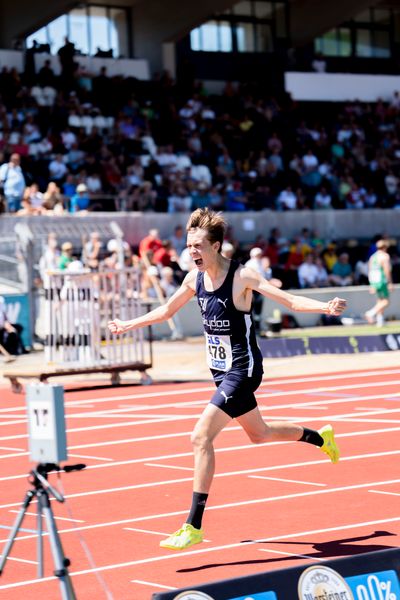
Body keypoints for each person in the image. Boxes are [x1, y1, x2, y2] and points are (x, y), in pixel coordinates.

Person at [108, 208, 346, 551]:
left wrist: (325, 308)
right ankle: (320, 438)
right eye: (189, 246)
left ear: (216, 246)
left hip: (244, 369)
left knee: (199, 437)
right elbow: (165, 311)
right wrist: (128, 325)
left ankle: (193, 525)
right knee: (259, 434)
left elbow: (289, 299)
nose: (192, 252)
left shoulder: (242, 277)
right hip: (220, 372)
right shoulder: (194, 279)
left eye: (199, 246)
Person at [365, 239, 392, 326]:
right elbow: (386, 270)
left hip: (373, 280)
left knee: (380, 301)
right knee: (386, 301)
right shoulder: (385, 256)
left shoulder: (373, 257)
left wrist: (371, 284)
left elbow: (369, 270)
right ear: (385, 247)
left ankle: (380, 320)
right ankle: (370, 313)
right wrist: (389, 282)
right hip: (381, 279)